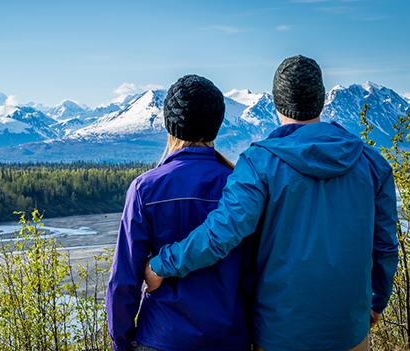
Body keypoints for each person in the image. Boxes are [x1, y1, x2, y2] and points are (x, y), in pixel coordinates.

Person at [145, 55, 399, 351]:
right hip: (348, 330)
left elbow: (220, 235)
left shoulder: (259, 163)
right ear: (321, 101)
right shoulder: (371, 162)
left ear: (277, 105)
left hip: (279, 333)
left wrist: (161, 265)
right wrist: (377, 303)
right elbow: (384, 246)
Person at [106, 75, 251, 351]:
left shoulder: (144, 189)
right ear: (216, 125)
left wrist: (121, 343)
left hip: (161, 338)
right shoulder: (239, 186)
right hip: (228, 338)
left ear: (169, 125)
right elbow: (253, 273)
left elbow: (123, 281)